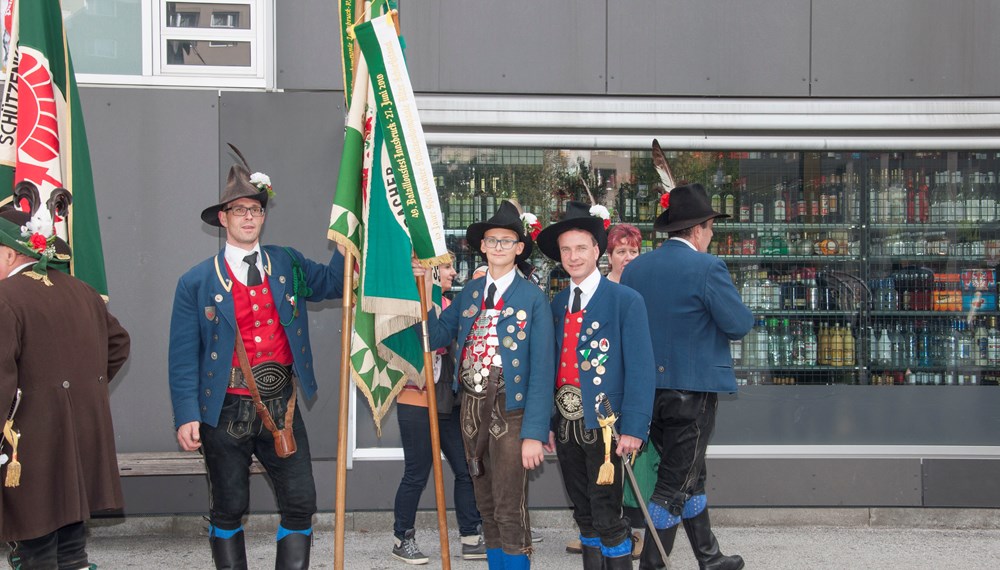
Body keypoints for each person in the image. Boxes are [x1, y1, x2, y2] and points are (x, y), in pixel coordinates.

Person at [168, 157, 344, 570]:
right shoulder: (196, 281)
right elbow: (181, 356)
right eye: (239, 210)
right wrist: (186, 414)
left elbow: (333, 284)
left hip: (281, 404)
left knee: (301, 502)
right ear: (223, 219)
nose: (248, 218)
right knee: (229, 507)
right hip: (224, 408)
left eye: (255, 210)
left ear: (264, 216)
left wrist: (343, 245)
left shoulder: (287, 264)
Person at [621, 183, 752, 570]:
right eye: (711, 228)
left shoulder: (637, 268)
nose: (711, 235)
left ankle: (710, 558)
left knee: (690, 475)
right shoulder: (708, 267)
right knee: (674, 486)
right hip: (691, 394)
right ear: (698, 229)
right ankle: (652, 565)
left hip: (647, 394)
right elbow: (738, 324)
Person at [419, 200, 555, 570]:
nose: (498, 246)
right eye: (492, 240)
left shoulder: (534, 299)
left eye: (506, 240)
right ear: (482, 247)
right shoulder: (469, 295)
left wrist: (534, 433)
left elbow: (543, 372)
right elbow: (432, 335)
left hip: (512, 411)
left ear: (519, 248)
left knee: (510, 505)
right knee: (485, 504)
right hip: (471, 411)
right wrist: (418, 286)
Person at [0, 208, 131, 569]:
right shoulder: (82, 290)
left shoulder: (5, 297)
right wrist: (83, 392)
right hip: (80, 440)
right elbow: (119, 343)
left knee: (35, 550)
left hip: (31, 446)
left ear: (11, 252)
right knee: (71, 551)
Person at [535, 202, 655, 570]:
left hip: (607, 427)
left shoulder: (625, 300)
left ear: (597, 251)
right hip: (568, 425)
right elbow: (548, 368)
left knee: (607, 515)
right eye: (566, 250)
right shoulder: (555, 303)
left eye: (581, 248)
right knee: (584, 513)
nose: (573, 257)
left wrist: (634, 428)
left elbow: (641, 369)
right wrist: (547, 424)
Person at [391, 255, 485, 565]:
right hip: (417, 398)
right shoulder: (411, 303)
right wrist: (424, 293)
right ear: (432, 271)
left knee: (466, 469)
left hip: (449, 400)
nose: (453, 273)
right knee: (417, 474)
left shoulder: (450, 303)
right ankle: (402, 537)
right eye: (447, 267)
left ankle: (470, 536)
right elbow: (423, 340)